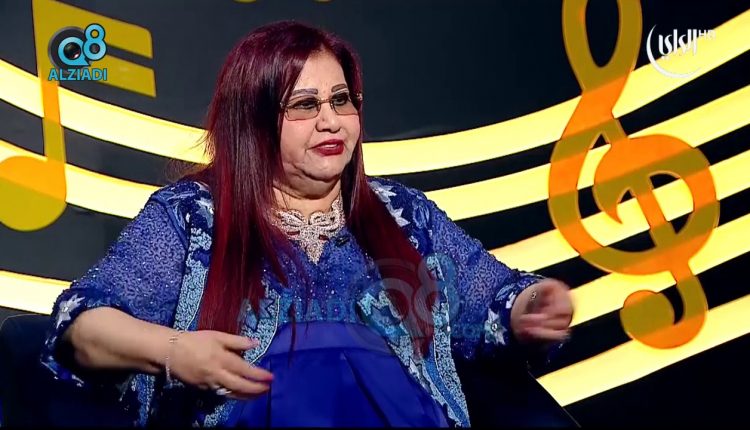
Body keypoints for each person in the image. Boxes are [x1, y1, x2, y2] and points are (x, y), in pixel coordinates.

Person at [40, 20, 574, 427]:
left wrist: (533, 307)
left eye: (342, 100)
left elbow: (495, 300)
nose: (330, 121)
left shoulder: (404, 215)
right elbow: (82, 325)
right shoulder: (192, 217)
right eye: (304, 105)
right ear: (253, 122)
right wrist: (176, 352)